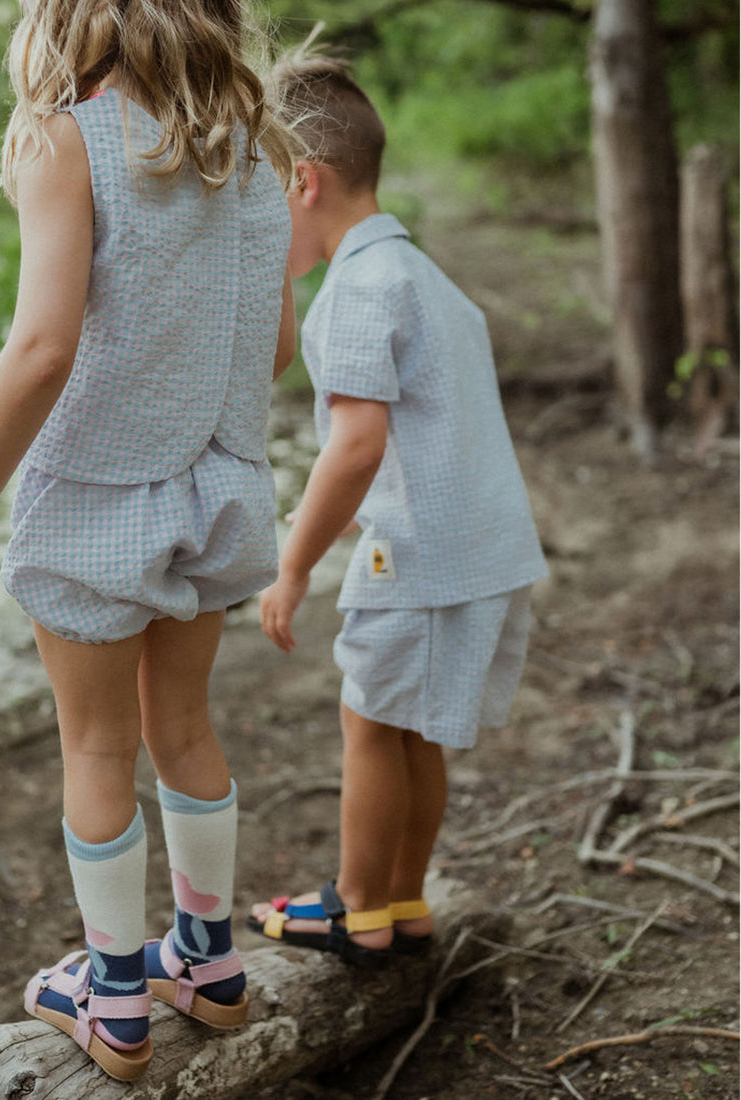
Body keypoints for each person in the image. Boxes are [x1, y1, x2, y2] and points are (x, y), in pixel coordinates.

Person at [0, 0, 295, 1081]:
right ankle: (209, 966)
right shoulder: (250, 154)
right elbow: (271, 344)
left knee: (94, 747)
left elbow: (40, 346)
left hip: (91, 496)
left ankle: (114, 995)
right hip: (218, 487)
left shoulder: (61, 135)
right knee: (182, 724)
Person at [248, 54, 548, 967]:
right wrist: (345, 514)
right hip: (482, 548)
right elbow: (426, 435)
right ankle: (406, 901)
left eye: (259, 196)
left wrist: (293, 565)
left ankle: (357, 906)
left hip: (422, 562)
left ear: (303, 183)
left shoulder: (352, 291)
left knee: (368, 722)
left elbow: (357, 443)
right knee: (412, 727)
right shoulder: (426, 280)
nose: (254, 223)